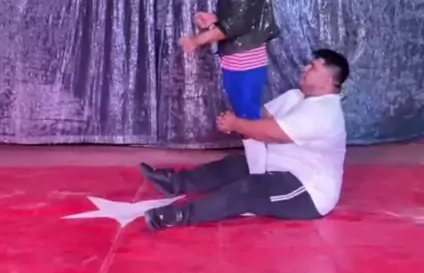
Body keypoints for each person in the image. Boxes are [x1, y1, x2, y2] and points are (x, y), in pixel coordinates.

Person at [141, 49, 350, 230]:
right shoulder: (295, 96)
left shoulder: (324, 112)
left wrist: (237, 124)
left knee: (248, 189)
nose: (305, 68)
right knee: (232, 166)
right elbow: (259, 118)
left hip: (307, 191)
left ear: (328, 81)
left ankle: (177, 216)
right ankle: (174, 183)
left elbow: (273, 132)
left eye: (313, 67)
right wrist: (241, 119)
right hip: (276, 166)